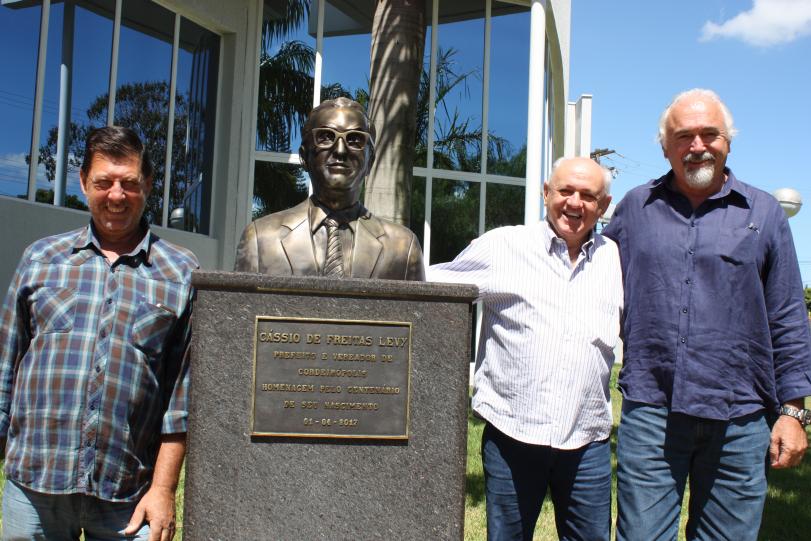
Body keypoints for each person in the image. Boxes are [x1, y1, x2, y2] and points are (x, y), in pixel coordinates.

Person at [604, 88, 811, 541]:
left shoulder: (765, 213)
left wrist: (794, 412)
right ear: (665, 147)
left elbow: (788, 316)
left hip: (741, 417)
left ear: (728, 143)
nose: (697, 145)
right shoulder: (635, 209)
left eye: (709, 134)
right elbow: (591, 279)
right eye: (684, 136)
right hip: (653, 410)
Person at [0, 126, 198, 540]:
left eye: (129, 183)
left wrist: (164, 490)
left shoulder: (180, 272)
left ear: (148, 184)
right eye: (104, 182)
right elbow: (5, 368)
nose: (116, 195)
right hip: (34, 485)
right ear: (83, 182)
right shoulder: (40, 259)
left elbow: (181, 397)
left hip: (129, 493)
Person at [428, 157, 621, 541]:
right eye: (565, 191)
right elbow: (430, 285)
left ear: (603, 206)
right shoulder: (503, 246)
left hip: (588, 441)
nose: (575, 203)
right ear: (546, 193)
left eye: (588, 195)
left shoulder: (615, 259)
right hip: (513, 436)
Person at [235, 97, 425, 280]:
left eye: (355, 139)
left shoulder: (403, 247)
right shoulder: (260, 238)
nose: (340, 150)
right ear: (304, 157)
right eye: (326, 137)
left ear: (370, 161)